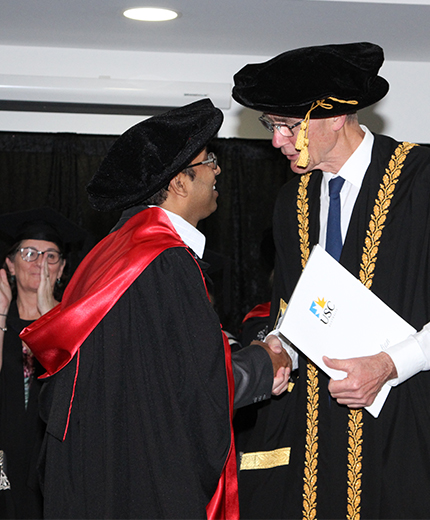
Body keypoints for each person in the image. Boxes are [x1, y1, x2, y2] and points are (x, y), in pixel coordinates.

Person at [231, 42, 430, 518]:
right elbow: (295, 311)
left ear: (336, 114)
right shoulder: (291, 203)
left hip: (409, 423)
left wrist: (386, 365)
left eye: (285, 124)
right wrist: (273, 350)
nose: (277, 141)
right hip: (318, 433)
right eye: (271, 125)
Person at [19, 99, 290, 519]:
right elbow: (197, 387)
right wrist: (266, 361)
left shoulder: (109, 253)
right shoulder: (164, 261)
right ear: (180, 182)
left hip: (95, 479)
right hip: (143, 485)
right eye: (209, 161)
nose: (218, 170)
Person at [0, 207, 83, 519]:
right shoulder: (0, 318)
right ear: (10, 263)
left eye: (51, 256)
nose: (40, 263)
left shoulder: (77, 323)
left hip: (53, 462)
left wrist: (54, 318)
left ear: (62, 268)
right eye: (29, 252)